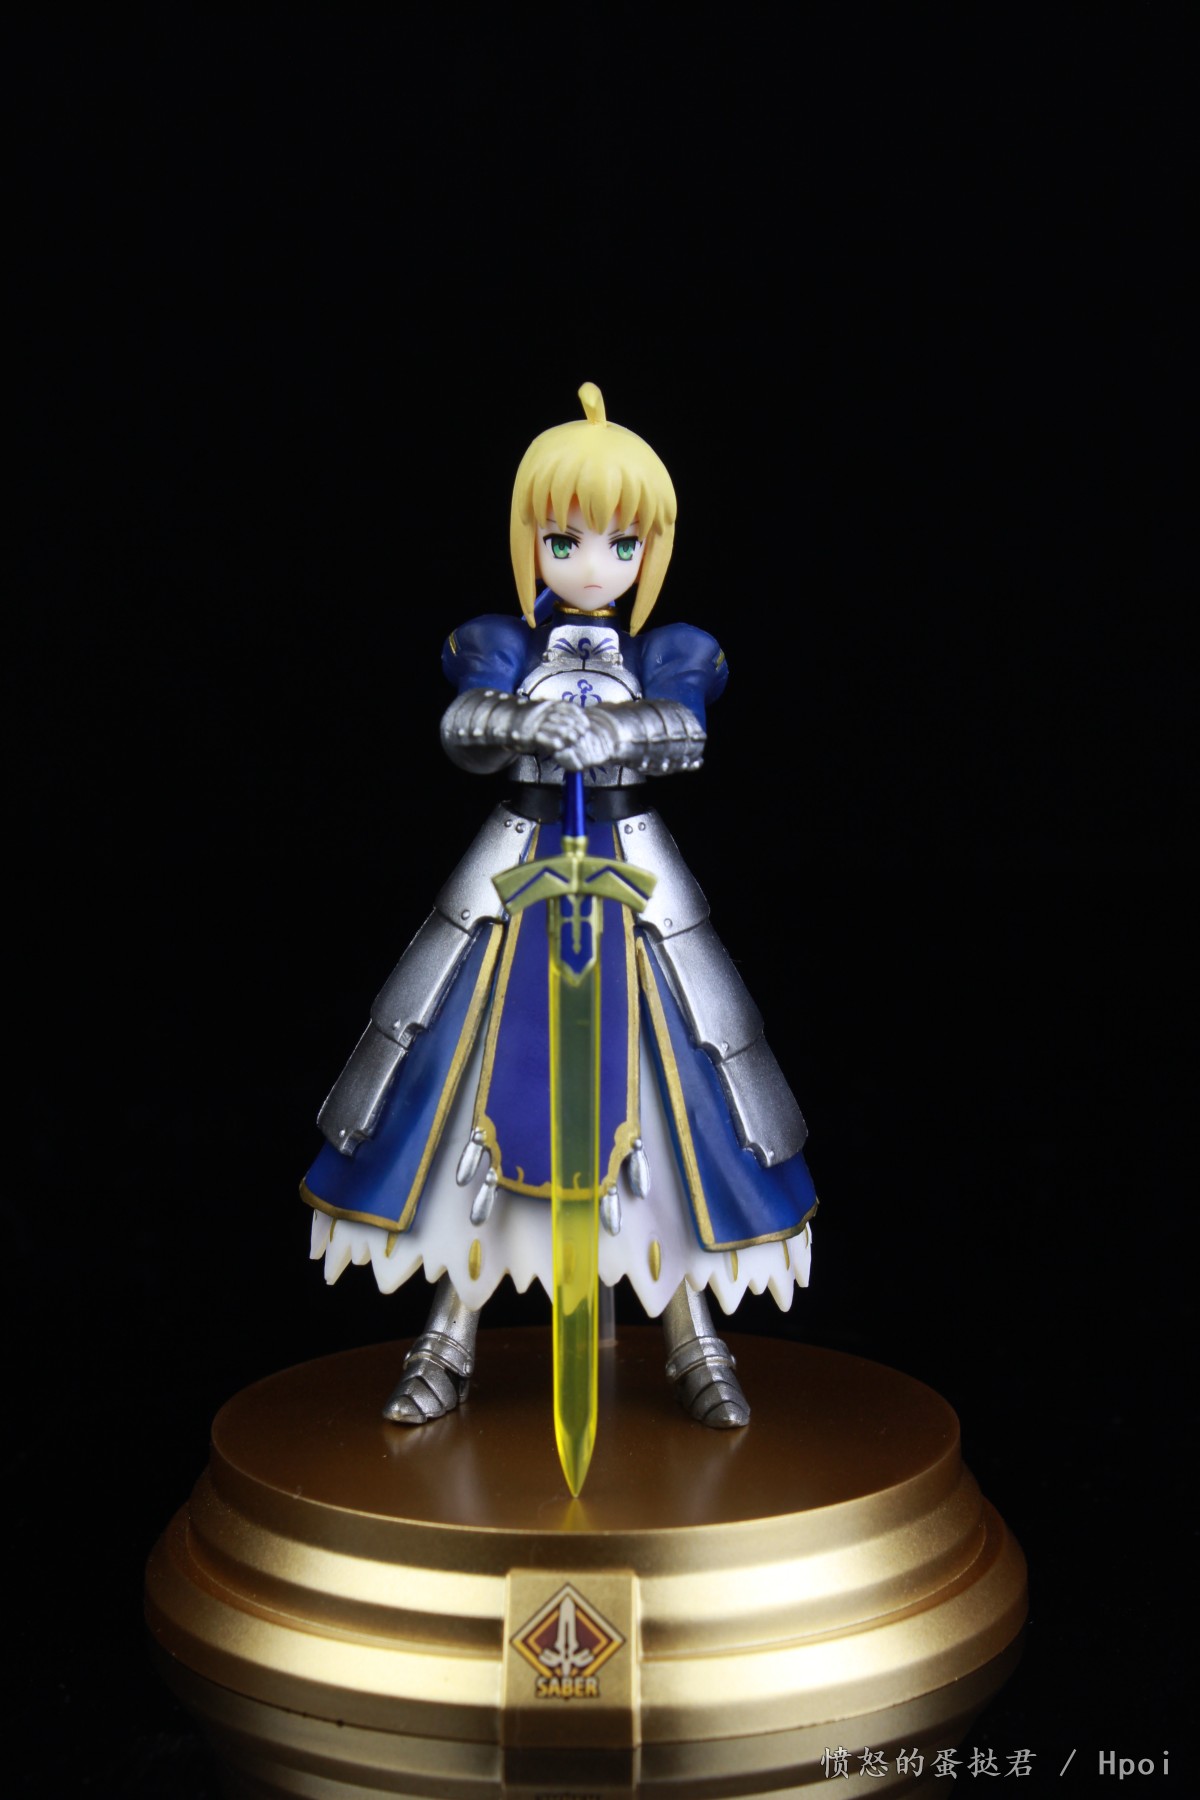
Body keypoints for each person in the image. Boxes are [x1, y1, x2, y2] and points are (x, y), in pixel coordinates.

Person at [301, 383, 817, 1430]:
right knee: (472, 1099)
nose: (592, 565)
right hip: (515, 883)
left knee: (673, 1106)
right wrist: (522, 726)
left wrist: (623, 734)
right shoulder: (501, 640)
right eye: (566, 540)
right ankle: (448, 1337)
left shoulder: (671, 649)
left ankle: (693, 1340)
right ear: (530, 539)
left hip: (632, 885)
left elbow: (688, 724)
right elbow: (463, 719)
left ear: (650, 552)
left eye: (622, 545)